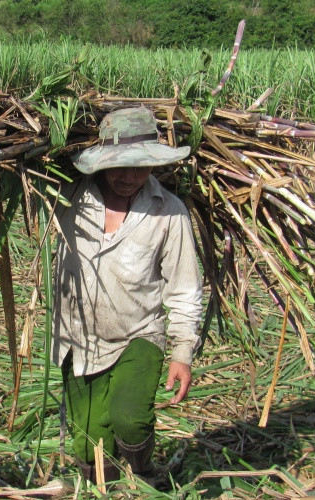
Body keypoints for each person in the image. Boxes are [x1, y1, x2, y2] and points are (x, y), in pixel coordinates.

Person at [52, 106, 204, 486]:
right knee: (89, 443)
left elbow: (185, 288)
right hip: (78, 337)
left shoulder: (169, 213)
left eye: (140, 167)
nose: (128, 177)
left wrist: (182, 352)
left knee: (129, 417)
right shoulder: (67, 197)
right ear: (102, 161)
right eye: (119, 166)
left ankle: (145, 475)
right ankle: (105, 487)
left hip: (139, 333)